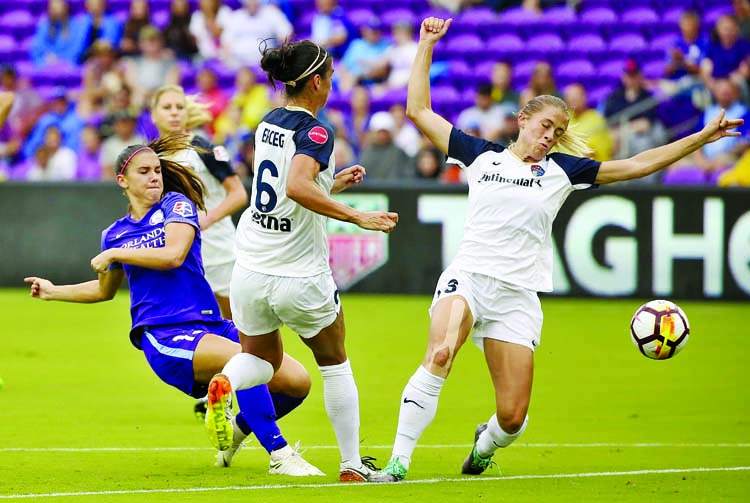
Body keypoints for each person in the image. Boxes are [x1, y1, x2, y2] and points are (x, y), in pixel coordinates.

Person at [377, 17, 744, 482]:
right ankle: (396, 463)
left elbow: (635, 164)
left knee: (511, 418)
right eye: (545, 125)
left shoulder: (561, 171)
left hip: (518, 295)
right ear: (523, 119)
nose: (550, 136)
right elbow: (418, 109)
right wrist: (426, 44)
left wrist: (700, 138)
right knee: (442, 352)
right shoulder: (480, 154)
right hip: (468, 276)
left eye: (559, 130)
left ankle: (484, 446)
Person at [24, 136, 324, 476]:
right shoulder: (114, 234)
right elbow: (104, 291)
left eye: (156, 170)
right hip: (166, 335)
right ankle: (280, 455)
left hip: (211, 325)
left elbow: (173, 255)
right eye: (143, 171)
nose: (154, 176)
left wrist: (116, 254)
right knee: (246, 359)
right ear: (122, 180)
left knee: (297, 382)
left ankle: (237, 431)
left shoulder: (176, 206)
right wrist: (53, 291)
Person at [221, 39, 398, 482]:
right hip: (299, 274)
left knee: (261, 360)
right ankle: (352, 465)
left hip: (251, 269)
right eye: (332, 77)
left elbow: (285, 190)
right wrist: (358, 216)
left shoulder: (267, 124)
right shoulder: (317, 131)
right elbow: (298, 187)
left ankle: (225, 382)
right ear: (316, 81)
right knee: (334, 361)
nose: (333, 84)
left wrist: (331, 183)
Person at [150, 84, 247, 321]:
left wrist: (207, 219)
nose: (174, 112)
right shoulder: (153, 156)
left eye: (179, 107)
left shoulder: (204, 148)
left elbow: (238, 193)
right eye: (167, 107)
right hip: (179, 253)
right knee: (190, 324)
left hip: (218, 251)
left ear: (186, 113)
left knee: (238, 323)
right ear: (154, 114)